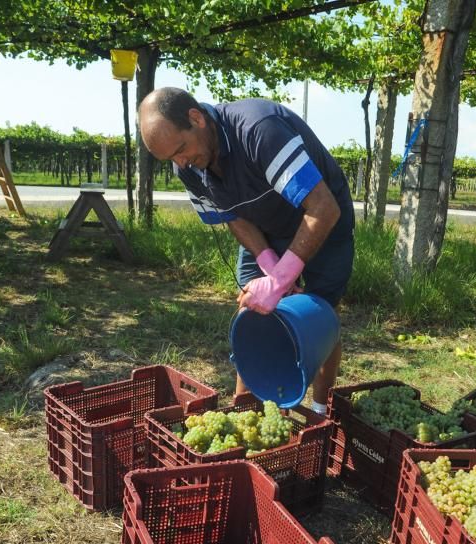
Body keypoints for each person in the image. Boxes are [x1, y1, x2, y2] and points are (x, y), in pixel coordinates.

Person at [138, 87, 355, 415]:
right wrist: (270, 265)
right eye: (171, 158)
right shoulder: (186, 165)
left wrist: (282, 281)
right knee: (253, 313)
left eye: (181, 149)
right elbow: (233, 216)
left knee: (321, 319)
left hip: (321, 223)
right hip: (265, 226)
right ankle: (247, 412)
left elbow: (324, 208)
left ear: (196, 118)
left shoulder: (258, 130)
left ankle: (320, 409)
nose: (181, 163)